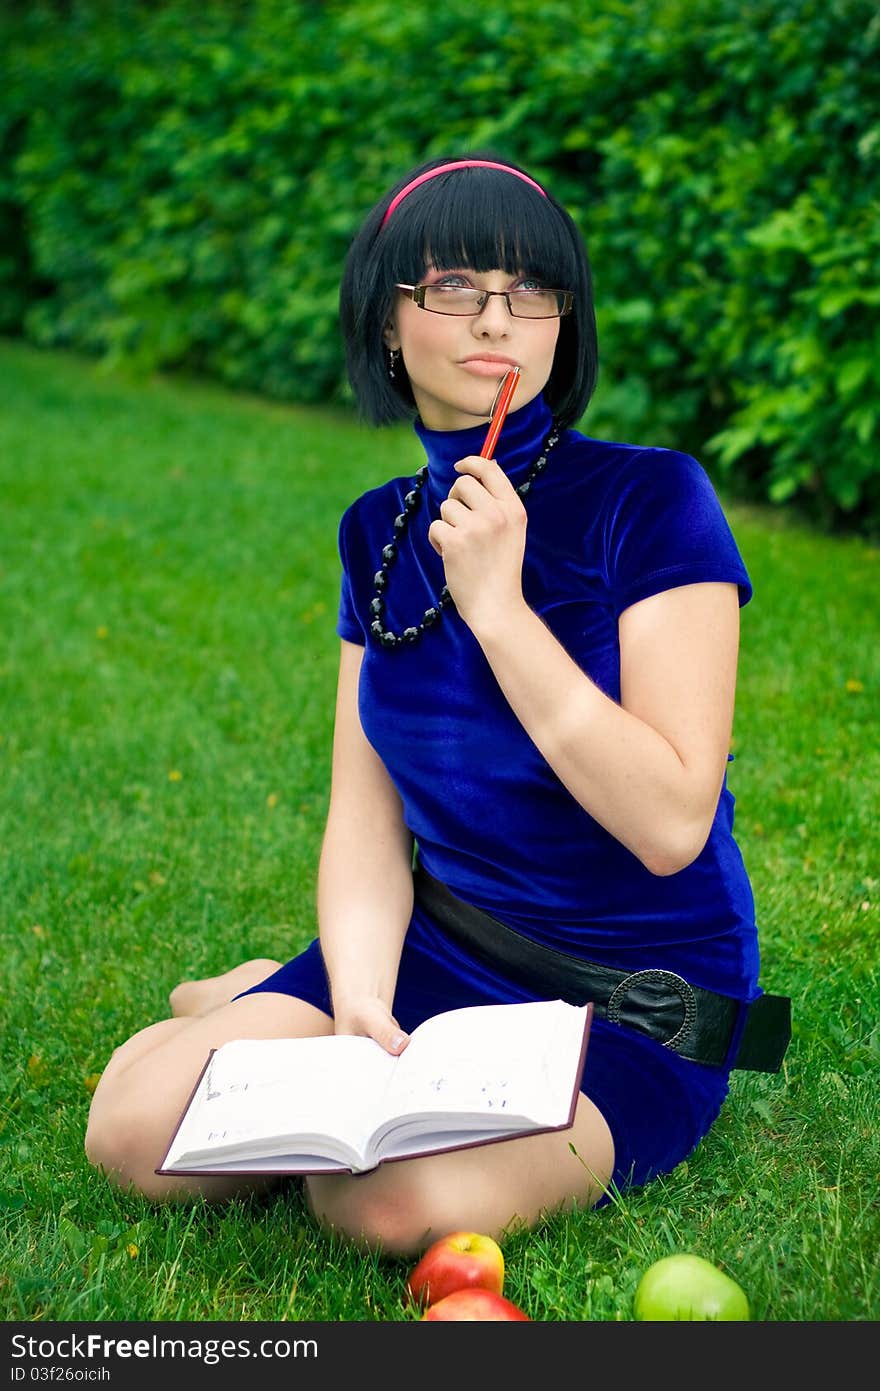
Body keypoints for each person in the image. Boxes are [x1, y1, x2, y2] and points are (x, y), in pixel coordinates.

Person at [85, 151, 788, 1256]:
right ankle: (281, 992)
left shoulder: (652, 499)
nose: (497, 318)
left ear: (566, 320)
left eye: (530, 290)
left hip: (618, 994)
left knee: (377, 1200)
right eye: (454, 286)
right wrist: (359, 994)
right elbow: (364, 817)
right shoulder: (377, 529)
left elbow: (668, 824)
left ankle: (246, 1002)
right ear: (386, 321)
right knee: (130, 1134)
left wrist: (501, 611)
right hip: (439, 949)